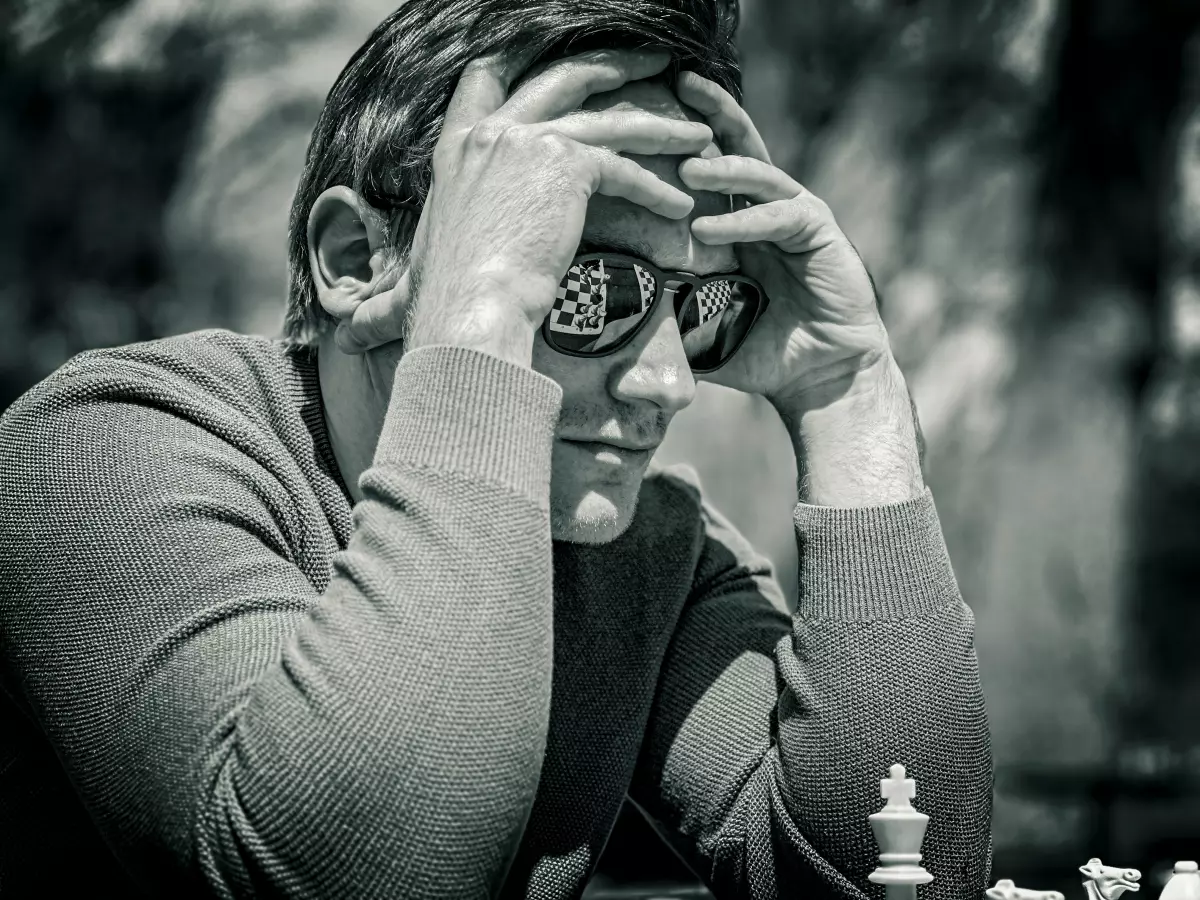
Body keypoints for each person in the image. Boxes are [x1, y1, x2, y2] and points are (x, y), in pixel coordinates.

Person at [0, 1, 992, 898]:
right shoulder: (97, 450)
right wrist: (480, 322)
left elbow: (882, 875)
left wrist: (850, 399)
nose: (670, 383)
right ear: (358, 263)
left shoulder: (646, 551)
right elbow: (357, 878)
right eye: (580, 284)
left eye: (699, 308)